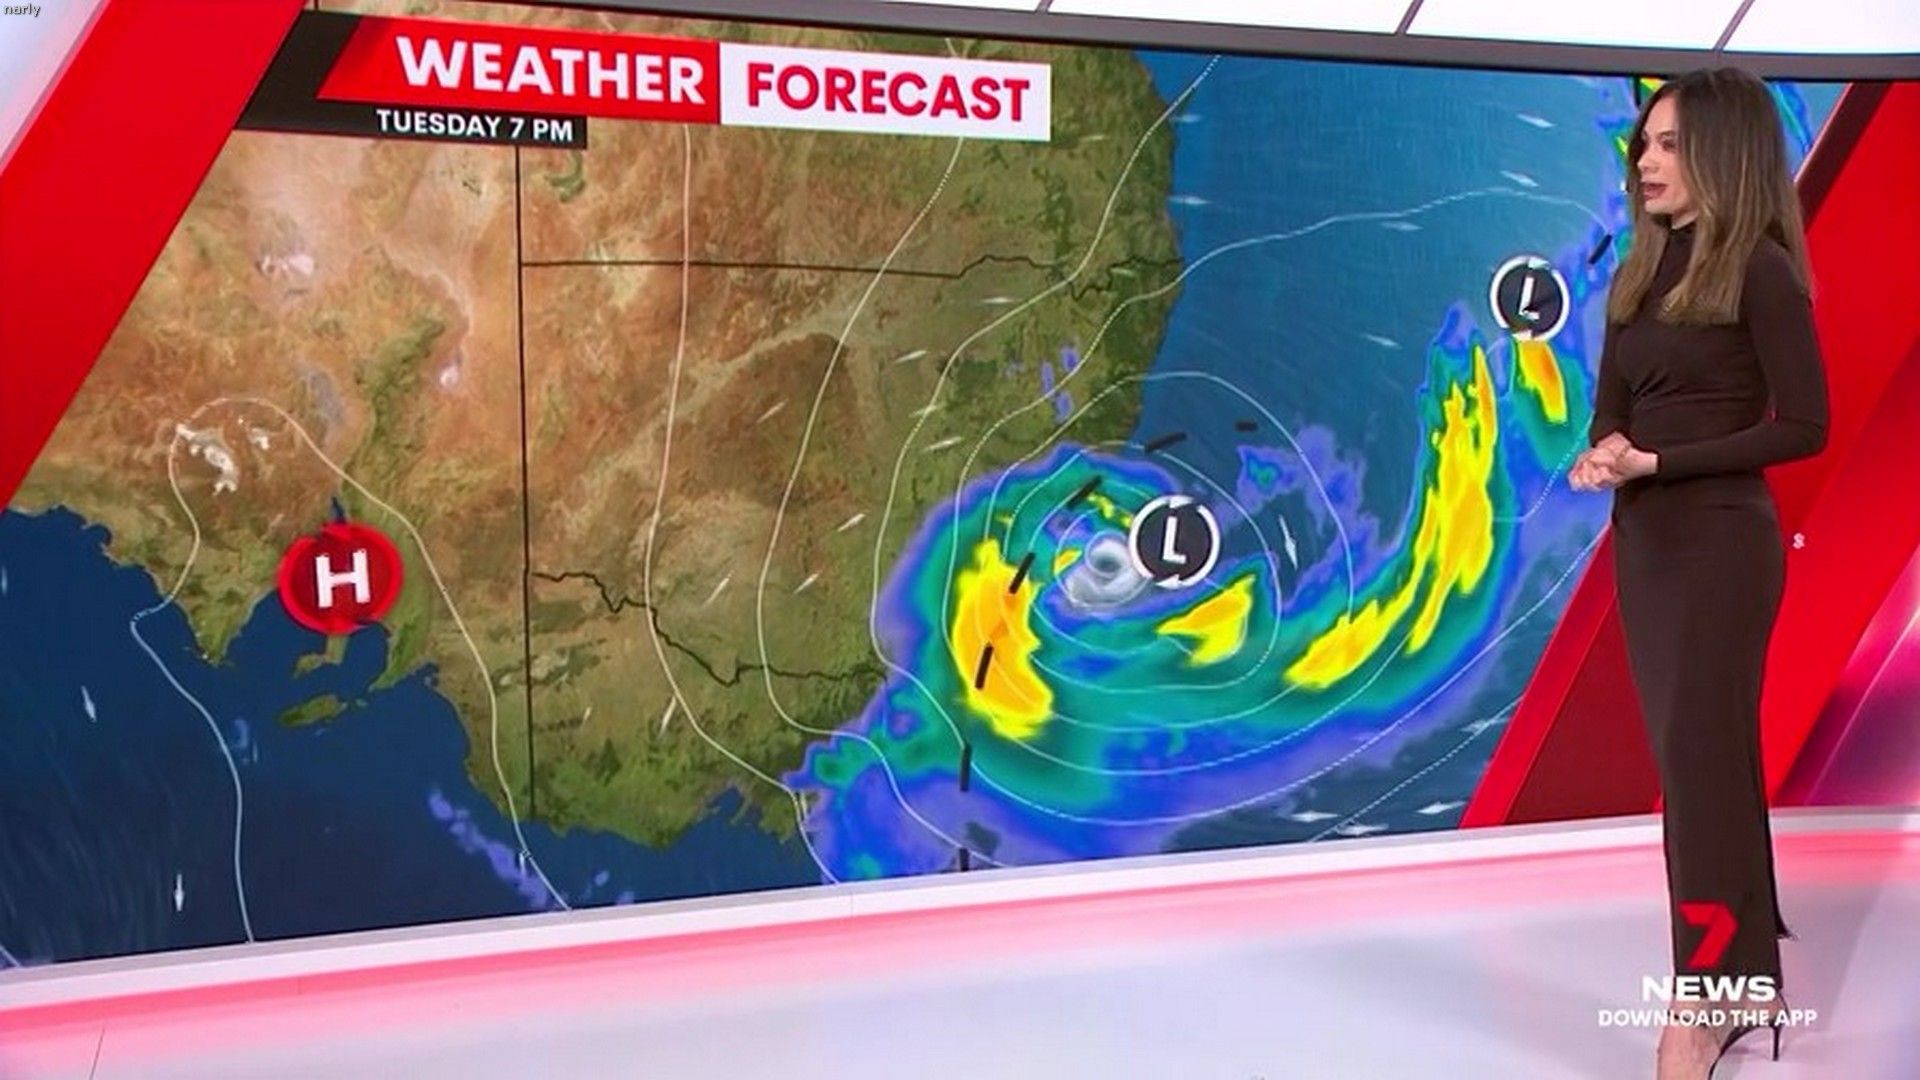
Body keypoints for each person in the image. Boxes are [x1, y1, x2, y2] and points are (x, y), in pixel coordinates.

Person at [1567, 67, 1829, 1079]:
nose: (1646, 160)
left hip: (1719, 546)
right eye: (1645, 142)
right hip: (1647, 544)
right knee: (1700, 769)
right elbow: (1614, 406)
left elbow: (1804, 426)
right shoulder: (1641, 272)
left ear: (1723, 154)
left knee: (1701, 771)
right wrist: (1606, 452)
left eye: (1670, 144)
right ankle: (1744, 981)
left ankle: (1708, 996)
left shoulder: (1759, 271)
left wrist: (1660, 463)